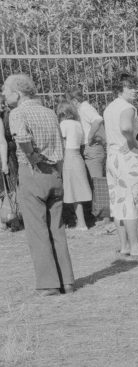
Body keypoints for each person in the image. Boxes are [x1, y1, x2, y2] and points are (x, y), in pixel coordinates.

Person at [3, 74, 75, 295]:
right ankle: (67, 281)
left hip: (32, 172)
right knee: (57, 228)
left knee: (37, 230)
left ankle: (48, 283)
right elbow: (59, 144)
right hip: (55, 172)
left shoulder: (17, 113)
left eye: (5, 89)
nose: (3, 93)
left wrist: (33, 157)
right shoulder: (50, 112)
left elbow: (22, 138)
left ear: (18, 92)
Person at [103, 72, 138, 258]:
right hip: (127, 156)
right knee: (130, 199)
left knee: (118, 200)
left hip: (113, 156)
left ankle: (124, 245)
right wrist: (132, 144)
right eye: (130, 87)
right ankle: (136, 246)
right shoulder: (128, 107)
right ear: (120, 89)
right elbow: (125, 128)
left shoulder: (110, 107)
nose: (134, 90)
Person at [66, 84, 104, 227]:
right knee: (93, 182)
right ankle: (97, 215)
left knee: (97, 183)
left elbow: (98, 119)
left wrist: (89, 137)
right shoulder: (82, 109)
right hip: (88, 149)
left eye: (70, 102)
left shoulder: (85, 108)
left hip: (92, 148)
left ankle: (103, 217)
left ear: (74, 101)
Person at [56, 101, 92, 230]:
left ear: (63, 113)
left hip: (68, 157)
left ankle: (80, 223)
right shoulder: (77, 124)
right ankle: (81, 220)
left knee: (72, 190)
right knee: (79, 189)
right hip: (77, 156)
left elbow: (61, 142)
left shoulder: (64, 124)